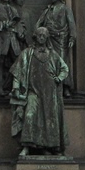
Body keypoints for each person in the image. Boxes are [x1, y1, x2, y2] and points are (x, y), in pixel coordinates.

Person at [9, 27, 69, 156]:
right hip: (33, 91)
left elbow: (65, 68)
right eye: (39, 35)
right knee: (29, 115)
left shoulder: (53, 54)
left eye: (44, 35)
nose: (41, 37)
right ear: (35, 37)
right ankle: (26, 146)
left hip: (50, 93)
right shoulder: (27, 53)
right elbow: (17, 72)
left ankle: (51, 147)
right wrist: (16, 87)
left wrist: (59, 78)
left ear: (47, 38)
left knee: (50, 119)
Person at [36, 0, 76, 95]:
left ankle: (65, 86)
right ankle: (51, 85)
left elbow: (71, 23)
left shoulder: (65, 8)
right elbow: (39, 22)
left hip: (61, 38)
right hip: (49, 39)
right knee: (49, 61)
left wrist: (72, 37)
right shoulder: (48, 10)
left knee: (62, 61)